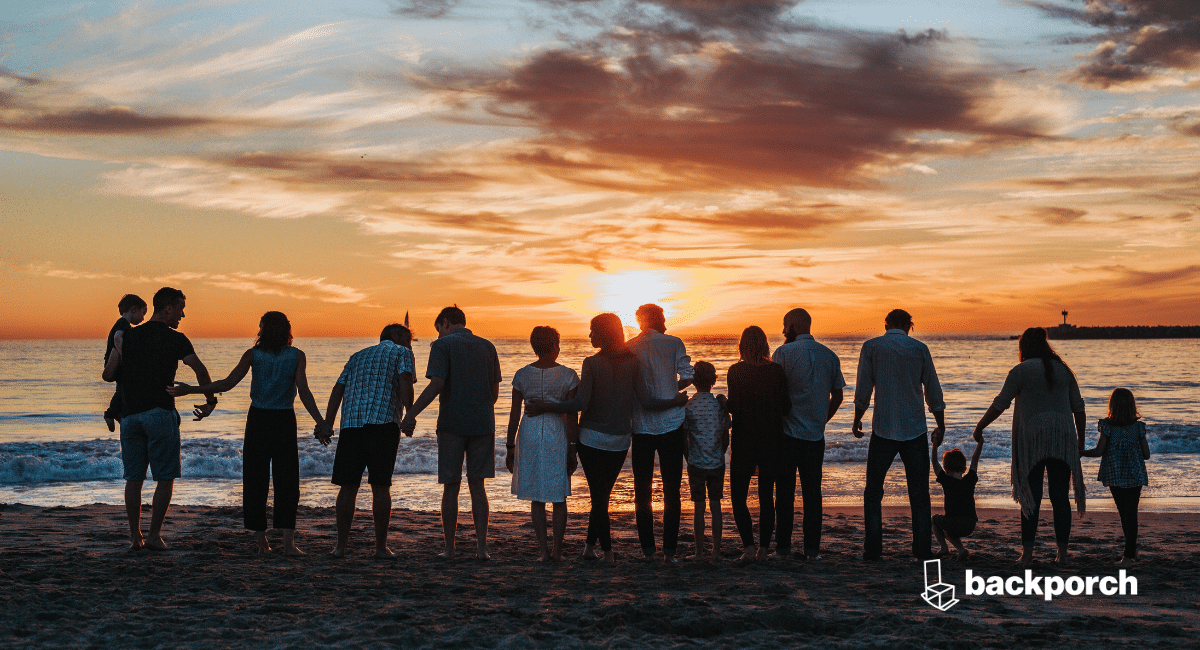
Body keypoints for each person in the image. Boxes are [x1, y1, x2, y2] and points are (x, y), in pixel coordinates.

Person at [527, 313, 683, 562]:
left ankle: (608, 552)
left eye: (592, 331)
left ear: (603, 333)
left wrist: (546, 406)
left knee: (599, 498)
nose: (589, 336)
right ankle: (590, 547)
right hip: (619, 441)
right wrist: (675, 400)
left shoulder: (590, 363)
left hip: (590, 439)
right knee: (601, 496)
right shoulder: (633, 362)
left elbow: (579, 403)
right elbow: (647, 401)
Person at [168, 311, 324, 556]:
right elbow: (303, 391)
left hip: (259, 420)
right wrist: (321, 421)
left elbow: (227, 384)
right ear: (286, 330)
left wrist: (193, 390)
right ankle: (288, 544)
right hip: (283, 420)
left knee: (255, 480)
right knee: (287, 481)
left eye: (260, 326)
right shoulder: (296, 355)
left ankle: (263, 543)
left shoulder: (254, 355)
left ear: (264, 330)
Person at [102, 287, 217, 551]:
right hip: (159, 414)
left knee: (134, 479)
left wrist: (119, 351)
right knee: (165, 477)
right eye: (180, 309)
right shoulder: (176, 339)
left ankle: (135, 538)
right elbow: (199, 369)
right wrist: (210, 402)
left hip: (130, 416)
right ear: (167, 308)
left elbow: (109, 374)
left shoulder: (127, 336)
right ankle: (153, 536)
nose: (182, 315)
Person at [971, 327, 1086, 565]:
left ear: (1023, 347)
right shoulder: (1064, 370)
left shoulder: (1021, 371)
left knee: (1030, 495)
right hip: (1062, 439)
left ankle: (1028, 553)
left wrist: (980, 426)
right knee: (1060, 497)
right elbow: (1079, 408)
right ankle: (1062, 554)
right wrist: (1080, 441)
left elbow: (1000, 404)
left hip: (1031, 440)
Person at [401, 307, 502, 560]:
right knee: (478, 486)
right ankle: (481, 549)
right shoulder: (488, 347)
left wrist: (411, 413)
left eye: (439, 328)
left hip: (452, 423)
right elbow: (494, 396)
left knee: (451, 487)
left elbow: (437, 383)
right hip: (482, 424)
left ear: (445, 323)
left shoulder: (441, 345)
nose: (439, 333)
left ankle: (450, 549)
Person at [852, 309, 945, 561]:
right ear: (909, 325)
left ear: (886, 324)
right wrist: (941, 422)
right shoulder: (919, 349)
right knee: (919, 493)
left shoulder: (871, 347)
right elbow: (933, 391)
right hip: (914, 429)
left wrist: (857, 418)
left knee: (873, 492)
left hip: (883, 428)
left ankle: (873, 550)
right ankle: (922, 551)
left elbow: (863, 389)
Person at [319, 324, 415, 559]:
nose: (410, 343)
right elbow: (404, 379)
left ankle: (340, 547)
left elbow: (337, 389)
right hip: (383, 424)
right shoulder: (402, 352)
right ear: (395, 336)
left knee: (348, 486)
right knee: (381, 486)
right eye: (408, 338)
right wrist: (410, 413)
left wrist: (327, 423)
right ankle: (381, 548)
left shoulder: (357, 356)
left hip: (351, 425)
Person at [770, 307, 844, 559]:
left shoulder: (782, 353)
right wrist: (823, 419)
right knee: (813, 494)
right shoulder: (829, 355)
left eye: (785, 325)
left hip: (788, 435)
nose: (782, 330)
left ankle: (783, 550)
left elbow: (775, 394)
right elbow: (838, 395)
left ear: (796, 326)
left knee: (785, 494)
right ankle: (812, 550)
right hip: (815, 435)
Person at [627, 303, 695, 563]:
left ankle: (647, 550)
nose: (666, 321)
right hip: (671, 425)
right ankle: (669, 552)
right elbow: (688, 375)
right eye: (664, 316)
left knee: (641, 490)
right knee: (672, 489)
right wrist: (672, 387)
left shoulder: (630, 346)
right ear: (657, 318)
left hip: (641, 426)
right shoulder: (674, 343)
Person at [505, 326, 579, 562]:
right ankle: (557, 551)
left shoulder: (522, 375)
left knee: (537, 496)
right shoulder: (568, 375)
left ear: (534, 347)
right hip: (557, 433)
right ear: (555, 345)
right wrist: (573, 447)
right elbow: (573, 415)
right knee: (558, 496)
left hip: (530, 432)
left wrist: (509, 447)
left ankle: (543, 552)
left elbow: (515, 413)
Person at [726, 326, 791, 563]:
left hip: (744, 440)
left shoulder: (735, 371)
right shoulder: (776, 371)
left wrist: (723, 402)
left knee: (738, 496)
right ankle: (764, 548)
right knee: (766, 496)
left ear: (742, 346)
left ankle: (749, 548)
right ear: (765, 345)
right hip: (772, 440)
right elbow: (786, 408)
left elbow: (734, 407)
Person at [1082, 388, 1149, 564]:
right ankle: (1131, 551)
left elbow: (1098, 451)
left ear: (1112, 406)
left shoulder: (1107, 426)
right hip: (1134, 474)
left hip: (1115, 473)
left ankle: (1128, 555)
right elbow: (1147, 454)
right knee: (1131, 512)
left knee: (1124, 513)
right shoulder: (1138, 428)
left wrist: (1081, 452)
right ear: (1132, 406)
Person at [683, 361, 729, 562]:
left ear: (693, 381)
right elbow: (726, 435)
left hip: (696, 463)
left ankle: (699, 552)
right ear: (713, 380)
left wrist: (689, 457)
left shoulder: (689, 406)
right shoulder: (719, 406)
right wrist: (720, 452)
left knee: (699, 508)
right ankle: (716, 551)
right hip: (716, 462)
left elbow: (685, 438)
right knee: (716, 505)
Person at [931, 438, 982, 560]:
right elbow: (975, 459)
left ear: (946, 470)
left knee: (934, 520)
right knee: (947, 531)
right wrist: (980, 442)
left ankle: (944, 548)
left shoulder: (946, 480)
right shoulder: (970, 479)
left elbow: (934, 462)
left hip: (953, 523)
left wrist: (934, 443)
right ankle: (961, 550)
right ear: (964, 469)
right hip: (970, 524)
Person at [103, 294, 148, 432]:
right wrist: (125, 355)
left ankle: (115, 412)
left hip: (117, 361)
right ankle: (111, 413)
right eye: (143, 313)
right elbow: (118, 337)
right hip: (115, 362)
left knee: (121, 388)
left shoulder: (123, 324)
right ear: (134, 309)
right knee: (123, 388)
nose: (143, 318)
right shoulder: (123, 324)